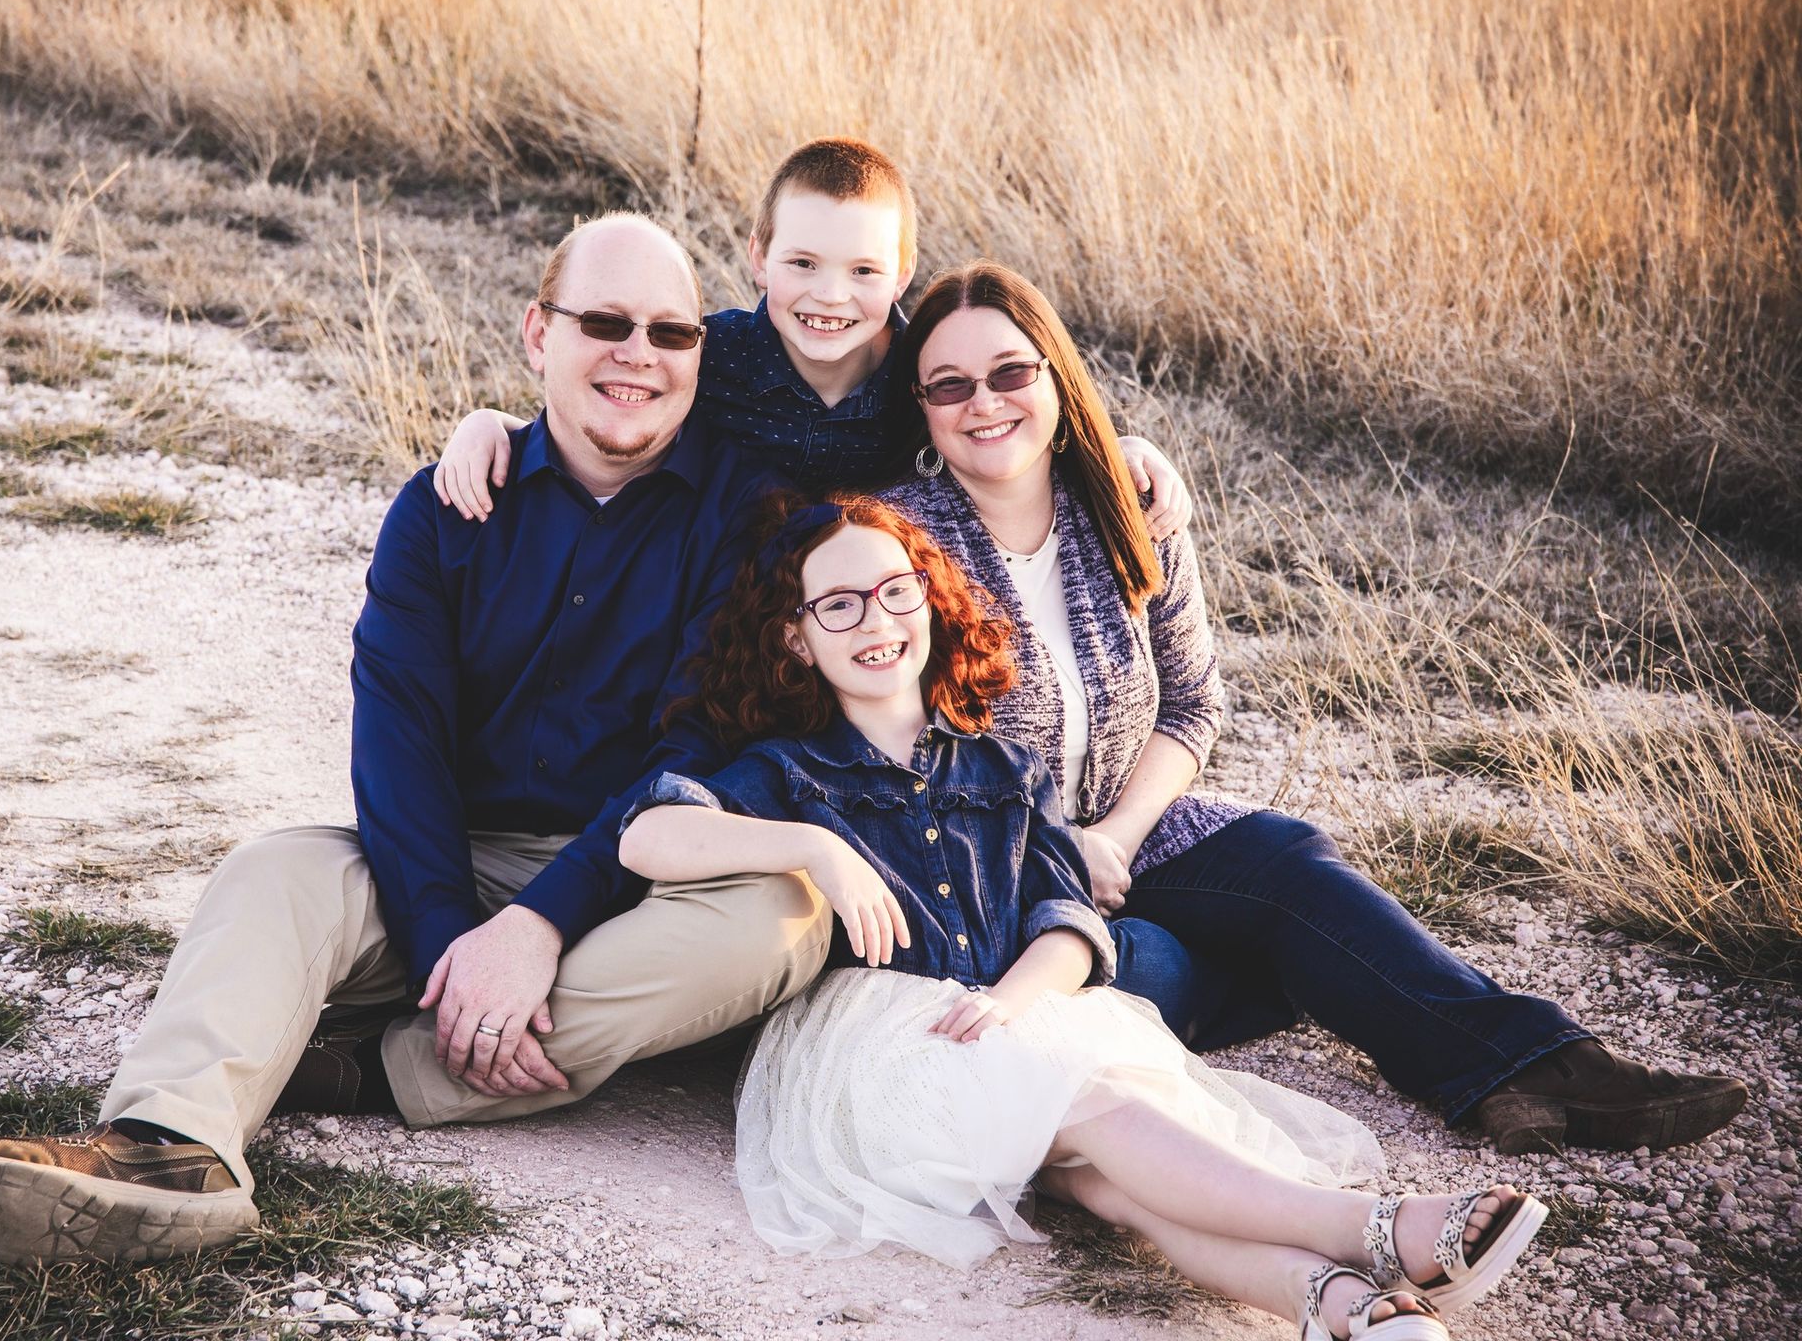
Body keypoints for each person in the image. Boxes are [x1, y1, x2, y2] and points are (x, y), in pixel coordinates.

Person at [0, 213, 833, 1265]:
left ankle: (374, 1070)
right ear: (540, 335)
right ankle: (168, 1154)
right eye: (606, 321)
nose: (638, 354)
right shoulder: (444, 510)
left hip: (641, 880)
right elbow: (397, 746)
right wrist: (454, 941)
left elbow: (692, 758)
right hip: (445, 858)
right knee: (275, 873)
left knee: (778, 918)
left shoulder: (749, 518)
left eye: (672, 333)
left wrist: (538, 925)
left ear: (699, 356)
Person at [618, 493, 1549, 1340]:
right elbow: (648, 837)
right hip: (886, 1055)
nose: (876, 621)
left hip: (1012, 1016)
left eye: (896, 592)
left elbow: (1068, 920)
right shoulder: (785, 772)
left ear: (932, 603)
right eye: (839, 605)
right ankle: (1372, 1228)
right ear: (795, 638)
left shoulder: (1007, 771)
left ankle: (1342, 1308)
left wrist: (1017, 1003)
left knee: (1111, 1187)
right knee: (1093, 1108)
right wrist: (812, 848)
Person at [874, 260, 1750, 1156]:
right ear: (923, 407)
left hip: (1128, 835)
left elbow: (1191, 705)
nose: (984, 403)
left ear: (1056, 374)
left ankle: (1534, 1069)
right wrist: (1064, 856)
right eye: (950, 386)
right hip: (1003, 872)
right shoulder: (894, 542)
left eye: (1011, 372)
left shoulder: (1127, 511)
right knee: (1162, 967)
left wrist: (1119, 836)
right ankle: (1284, 985)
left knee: (1289, 861)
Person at [431, 136, 1195, 531]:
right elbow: (615, 406)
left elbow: (1011, 419)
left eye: (864, 271)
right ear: (758, 256)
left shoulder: (926, 371)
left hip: (881, 618)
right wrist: (490, 424)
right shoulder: (715, 352)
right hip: (728, 607)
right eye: (803, 262)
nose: (831, 297)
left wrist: (1118, 450)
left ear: (903, 273)